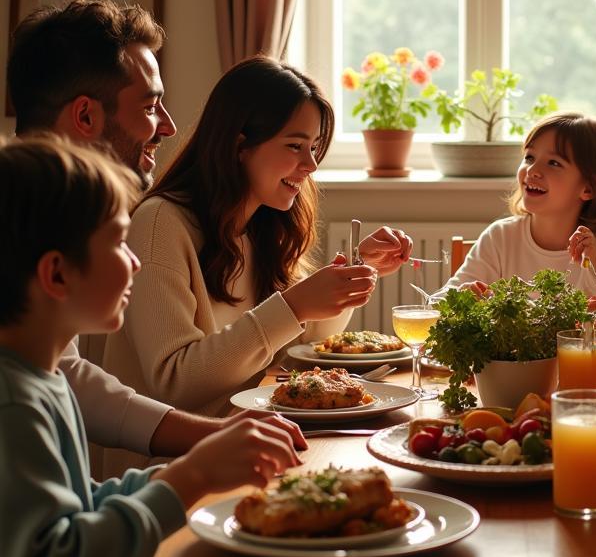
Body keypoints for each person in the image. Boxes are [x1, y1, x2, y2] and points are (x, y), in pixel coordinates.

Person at [0, 136, 333, 557]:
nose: (134, 261)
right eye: (118, 243)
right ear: (56, 275)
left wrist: (188, 477)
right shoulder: (13, 403)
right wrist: (189, 479)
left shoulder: (43, 379)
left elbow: (77, 509)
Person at [6, 0, 305, 461]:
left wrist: (213, 436)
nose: (168, 126)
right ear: (86, 116)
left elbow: (71, 377)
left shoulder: (51, 213)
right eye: (150, 107)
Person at [103, 56, 411, 470]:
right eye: (294, 146)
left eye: (315, 147)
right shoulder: (160, 223)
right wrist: (295, 306)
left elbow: (306, 336)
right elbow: (175, 382)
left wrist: (356, 273)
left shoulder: (261, 225)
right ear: (239, 145)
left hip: (249, 442)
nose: (311, 165)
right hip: (173, 471)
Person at [437, 112, 596, 297]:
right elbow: (440, 302)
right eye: (529, 157)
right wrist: (460, 295)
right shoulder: (499, 238)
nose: (532, 170)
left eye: (554, 163)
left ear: (588, 189)